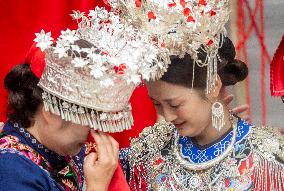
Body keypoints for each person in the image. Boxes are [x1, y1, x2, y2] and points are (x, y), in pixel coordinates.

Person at [0, 7, 163, 191]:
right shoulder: (10, 170)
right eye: (88, 118)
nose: (94, 130)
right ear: (52, 112)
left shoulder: (60, 150)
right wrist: (97, 186)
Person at [123, 36, 284, 190]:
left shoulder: (267, 157)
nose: (168, 116)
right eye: (156, 104)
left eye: (175, 104)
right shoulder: (146, 153)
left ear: (213, 86)